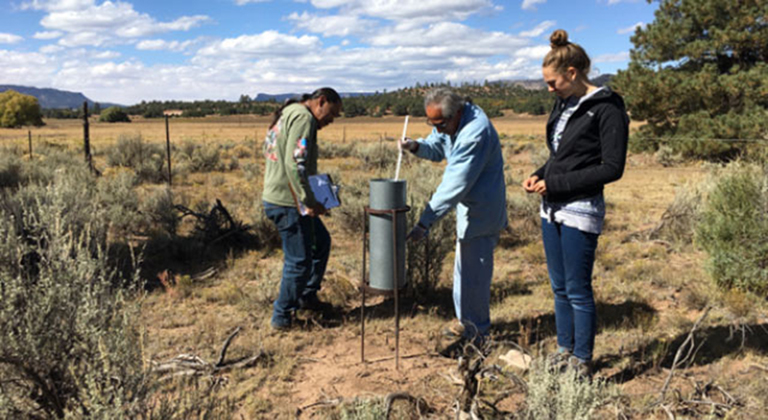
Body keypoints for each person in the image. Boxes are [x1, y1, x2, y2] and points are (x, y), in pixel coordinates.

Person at [522, 29, 629, 375]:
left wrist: (556, 184)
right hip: (551, 206)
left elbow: (612, 168)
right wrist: (541, 175)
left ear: (572, 73)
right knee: (558, 286)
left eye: (553, 83)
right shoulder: (564, 103)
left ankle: (582, 359)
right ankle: (563, 351)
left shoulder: (608, 107)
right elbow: (561, 155)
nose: (549, 90)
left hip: (580, 208)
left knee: (577, 288)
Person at [401, 87, 507, 353]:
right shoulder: (452, 123)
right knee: (464, 273)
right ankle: (466, 324)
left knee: (474, 279)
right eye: (431, 123)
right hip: (468, 212)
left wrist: (425, 221)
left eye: (440, 123)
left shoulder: (475, 131)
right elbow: (437, 147)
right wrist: (416, 146)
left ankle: (478, 338)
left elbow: (455, 183)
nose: (437, 128)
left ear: (456, 113)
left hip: (481, 214)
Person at [262, 87, 343, 330]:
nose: (332, 120)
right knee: (298, 261)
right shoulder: (304, 118)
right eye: (332, 113)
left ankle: (306, 297)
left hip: (286, 198)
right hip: (289, 203)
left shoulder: (291, 113)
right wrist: (309, 200)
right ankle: (282, 317)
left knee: (322, 242)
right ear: (321, 101)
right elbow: (295, 163)